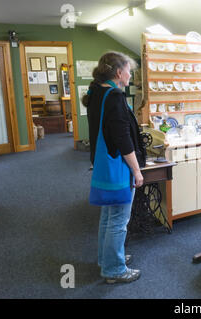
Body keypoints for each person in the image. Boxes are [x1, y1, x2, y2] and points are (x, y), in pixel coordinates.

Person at [83, 51, 146, 284]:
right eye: (129, 70)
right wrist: (137, 170)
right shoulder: (115, 96)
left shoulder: (96, 91)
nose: (131, 74)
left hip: (102, 164)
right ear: (119, 73)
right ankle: (114, 269)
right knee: (119, 218)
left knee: (109, 216)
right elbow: (122, 138)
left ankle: (107, 258)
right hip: (118, 166)